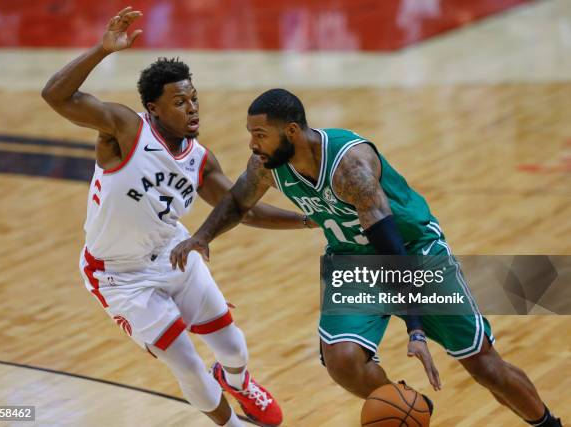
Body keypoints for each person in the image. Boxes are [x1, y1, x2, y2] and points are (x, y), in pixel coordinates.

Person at [170, 88, 563, 427]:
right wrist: (202, 237)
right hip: (351, 260)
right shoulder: (268, 164)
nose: (253, 144)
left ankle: (547, 423)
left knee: (484, 367)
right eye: (251, 134)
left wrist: (416, 329)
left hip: (412, 255)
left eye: (260, 134)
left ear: (290, 132)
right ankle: (407, 409)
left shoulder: (348, 166)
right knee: (342, 361)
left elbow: (392, 251)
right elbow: (238, 202)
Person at [41, 9, 313, 427]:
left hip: (173, 253)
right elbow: (54, 97)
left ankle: (236, 380)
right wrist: (101, 50)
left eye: (194, 98)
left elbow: (246, 209)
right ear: (153, 108)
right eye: (180, 102)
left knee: (234, 347)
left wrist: (309, 220)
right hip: (120, 275)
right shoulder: (124, 129)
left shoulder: (200, 160)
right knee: (185, 361)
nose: (192, 108)